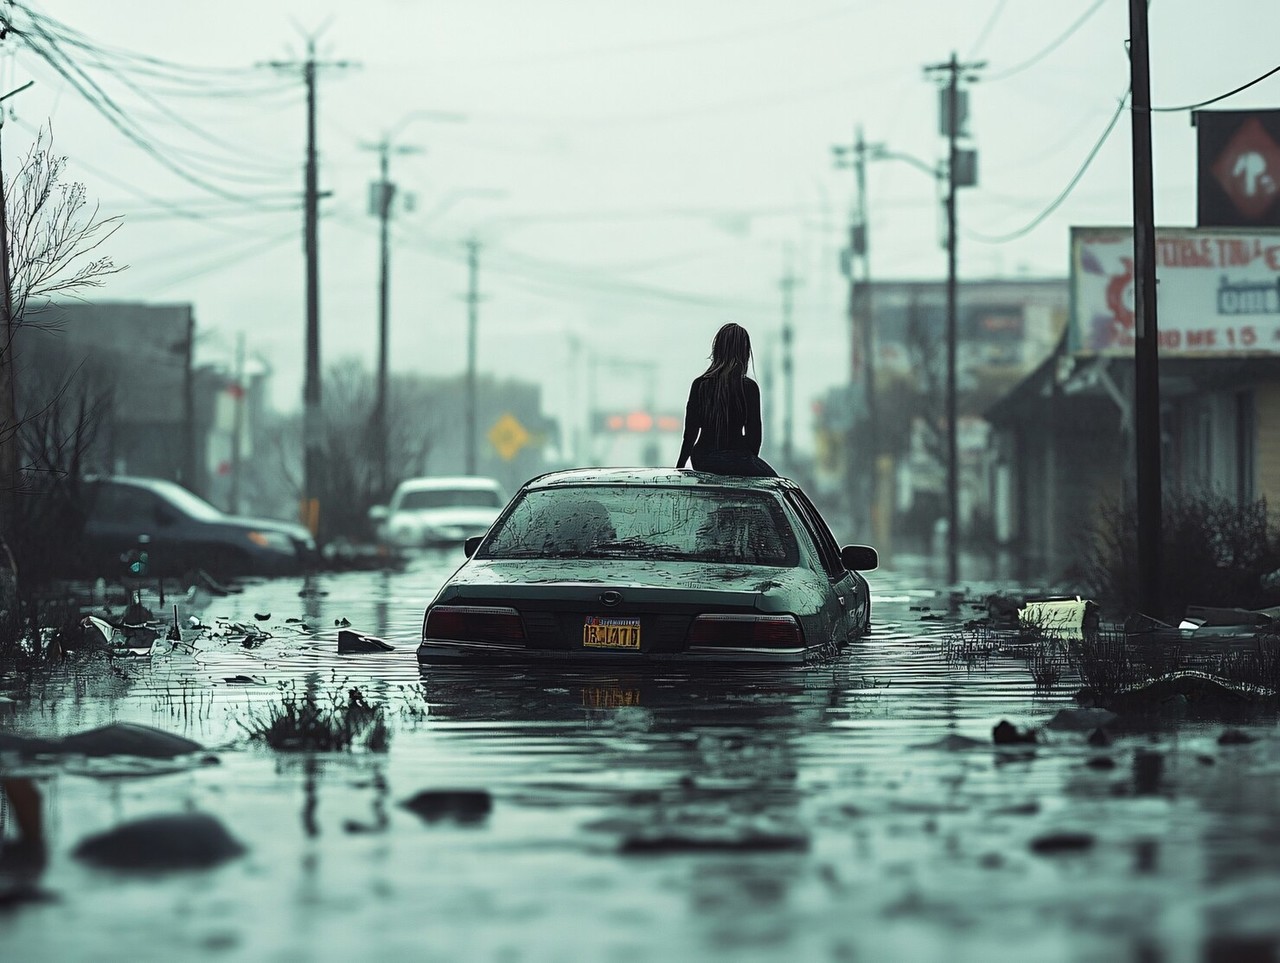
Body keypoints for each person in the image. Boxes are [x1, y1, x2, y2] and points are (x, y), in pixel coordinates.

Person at [675, 322, 777, 477]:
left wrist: (679, 469)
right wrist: (749, 463)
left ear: (717, 350)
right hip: (737, 459)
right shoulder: (748, 388)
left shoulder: (700, 385)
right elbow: (754, 437)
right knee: (774, 482)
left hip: (702, 459)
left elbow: (690, 434)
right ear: (744, 353)